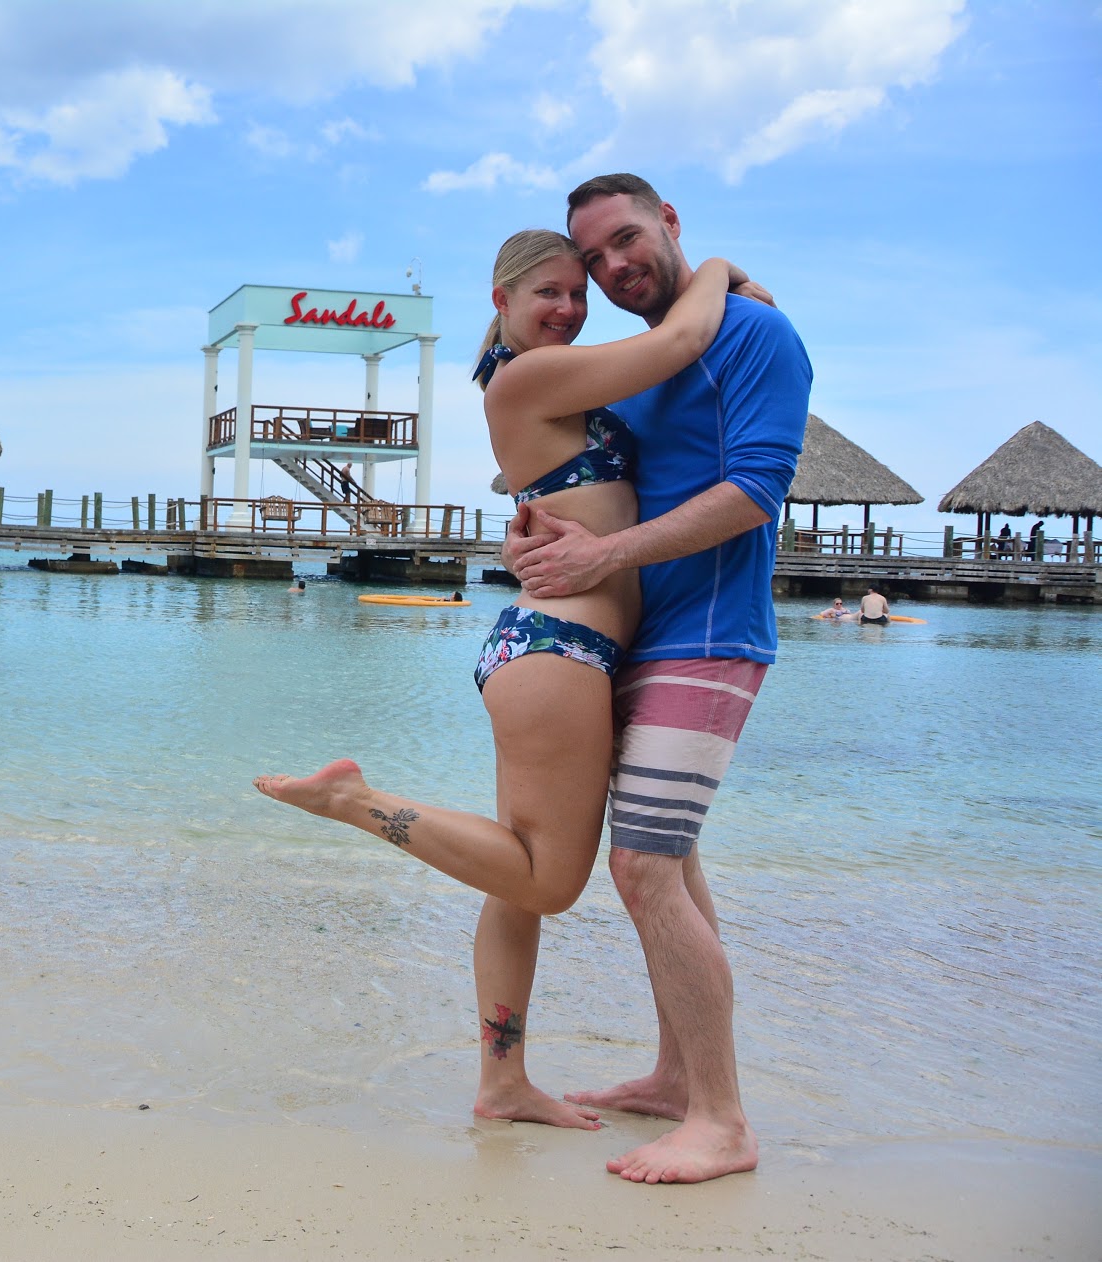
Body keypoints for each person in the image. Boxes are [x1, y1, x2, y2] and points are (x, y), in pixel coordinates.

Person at [256, 226, 748, 1134]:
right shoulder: (525, 377)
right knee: (547, 883)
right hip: (560, 649)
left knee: (513, 878)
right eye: (548, 294)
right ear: (503, 302)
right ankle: (355, 802)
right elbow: (680, 341)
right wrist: (714, 267)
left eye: (577, 295)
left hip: (555, 649)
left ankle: (503, 1082)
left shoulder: (538, 376)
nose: (567, 309)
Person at [506, 173, 810, 1184]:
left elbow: (754, 491)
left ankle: (722, 1121)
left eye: (625, 239)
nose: (611, 266)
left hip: (712, 633)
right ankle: (677, 1076)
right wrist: (553, 541)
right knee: (669, 863)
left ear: (669, 223)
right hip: (635, 635)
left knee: (636, 867)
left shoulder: (754, 337)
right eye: (591, 259)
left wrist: (607, 558)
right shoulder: (630, 363)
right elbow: (586, 480)